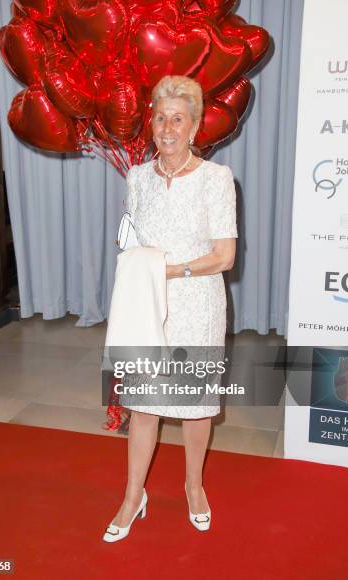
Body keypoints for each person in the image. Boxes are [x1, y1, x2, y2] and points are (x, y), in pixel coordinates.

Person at [103, 75, 238, 542]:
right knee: (144, 407)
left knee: (196, 408)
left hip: (197, 305)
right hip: (148, 305)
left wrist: (171, 271)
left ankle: (195, 487)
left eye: (178, 118)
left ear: (195, 126)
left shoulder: (217, 179)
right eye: (160, 118)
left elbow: (225, 256)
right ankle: (132, 495)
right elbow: (133, 239)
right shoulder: (136, 177)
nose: (167, 127)